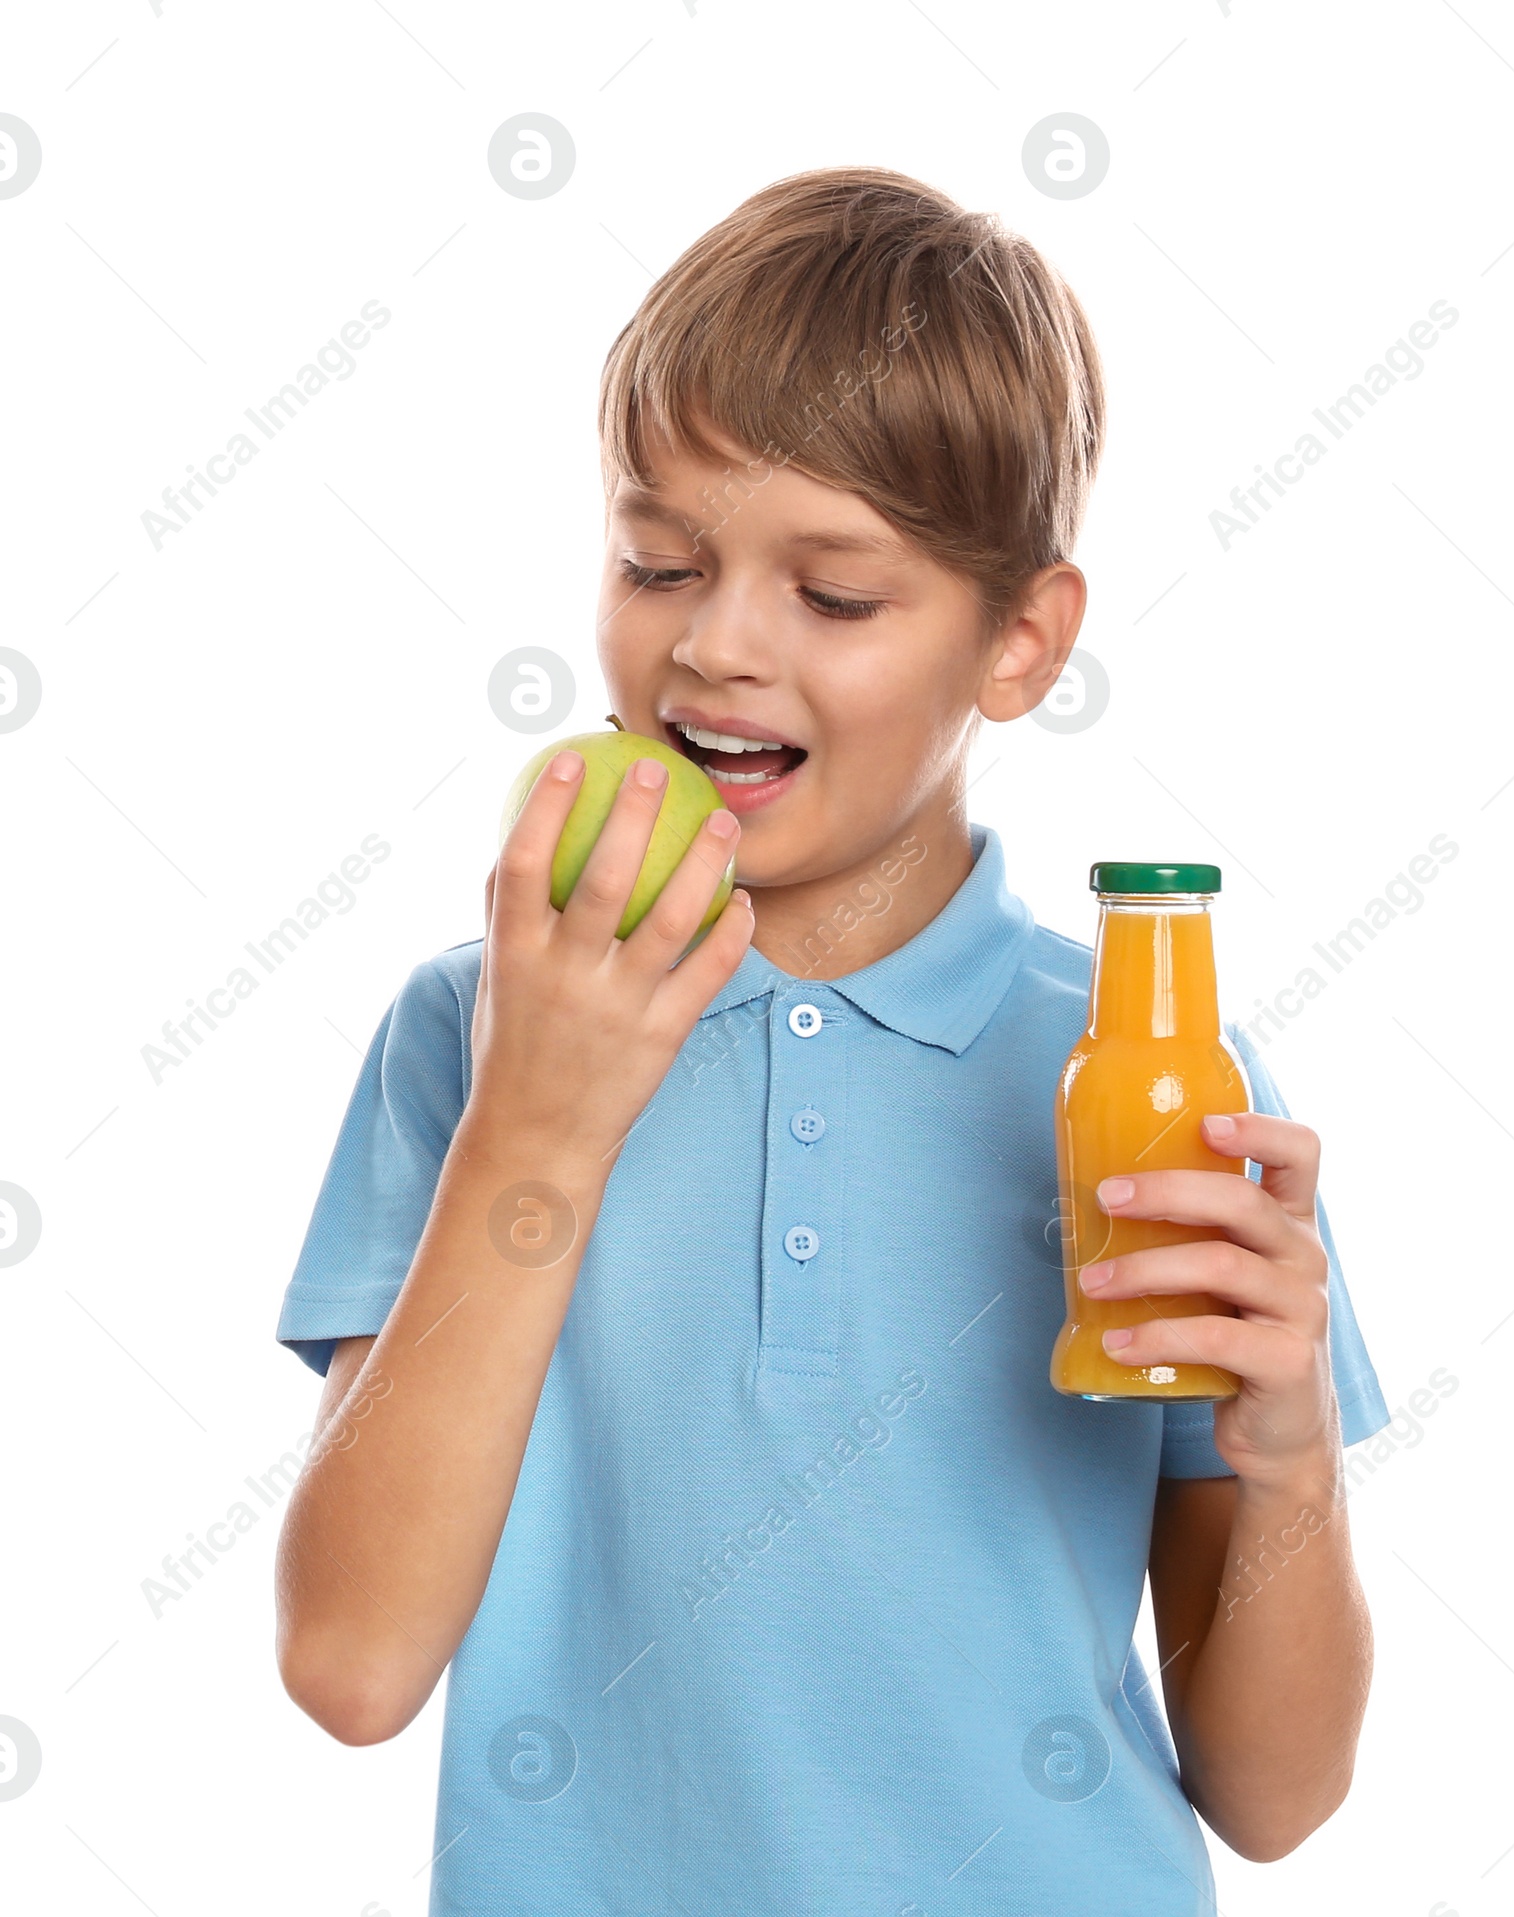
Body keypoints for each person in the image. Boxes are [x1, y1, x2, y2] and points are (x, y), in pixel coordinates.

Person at [273, 164, 1389, 1916]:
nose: (714, 646)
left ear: (1020, 639)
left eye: (836, 596)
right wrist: (538, 1126)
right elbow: (351, 1663)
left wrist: (1293, 1446)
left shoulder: (1142, 1074)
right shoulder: (473, 1029)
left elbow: (1276, 1795)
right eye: (660, 559)